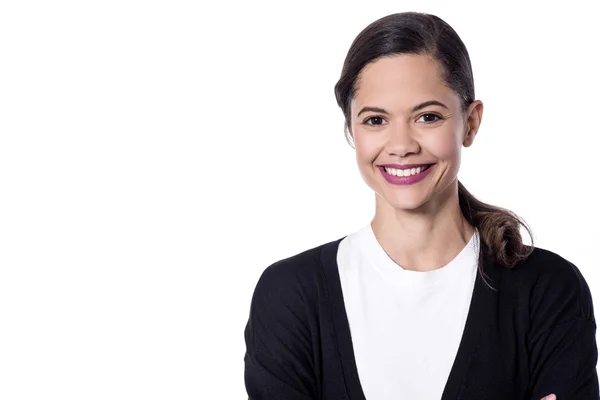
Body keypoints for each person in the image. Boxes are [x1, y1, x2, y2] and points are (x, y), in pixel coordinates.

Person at [243, 11, 598, 400]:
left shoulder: (546, 291)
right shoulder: (290, 296)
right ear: (351, 129)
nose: (401, 145)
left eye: (427, 116)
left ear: (471, 122)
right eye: (375, 120)